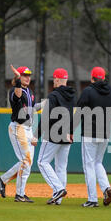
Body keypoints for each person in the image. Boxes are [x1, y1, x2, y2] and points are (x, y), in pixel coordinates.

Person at [0, 65, 41, 203]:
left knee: (27, 163)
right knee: (25, 161)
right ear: (19, 77)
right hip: (18, 127)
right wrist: (18, 81)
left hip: (28, 128)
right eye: (24, 75)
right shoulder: (15, 90)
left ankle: (2, 180)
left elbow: (31, 109)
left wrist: (46, 103)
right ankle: (19, 194)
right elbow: (18, 95)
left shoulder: (30, 91)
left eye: (28, 75)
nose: (27, 77)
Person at [74, 67, 111, 207]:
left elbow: (79, 111)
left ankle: (92, 199)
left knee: (89, 166)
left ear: (92, 78)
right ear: (104, 78)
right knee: (97, 163)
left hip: (89, 133)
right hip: (105, 134)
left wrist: (70, 130)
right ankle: (106, 188)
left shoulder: (88, 91)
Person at [34, 68, 76, 205]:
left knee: (41, 162)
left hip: (54, 134)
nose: (53, 81)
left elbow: (46, 117)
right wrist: (70, 132)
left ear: (57, 80)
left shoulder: (53, 96)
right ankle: (58, 199)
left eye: (54, 79)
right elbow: (70, 116)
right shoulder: (71, 95)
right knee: (61, 167)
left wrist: (37, 135)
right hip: (66, 135)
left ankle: (58, 189)